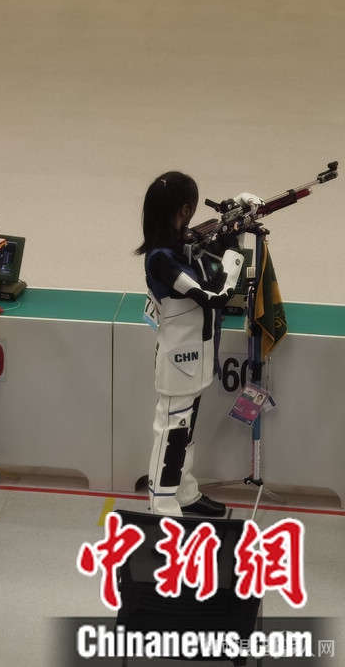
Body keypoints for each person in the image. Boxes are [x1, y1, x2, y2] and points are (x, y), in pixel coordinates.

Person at [136, 171, 252, 517]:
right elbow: (214, 295)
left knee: (185, 433)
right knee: (172, 434)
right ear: (185, 209)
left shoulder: (181, 242)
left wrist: (236, 221)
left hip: (197, 357)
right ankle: (162, 509)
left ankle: (184, 494)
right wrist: (234, 253)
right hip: (178, 361)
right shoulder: (161, 257)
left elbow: (208, 250)